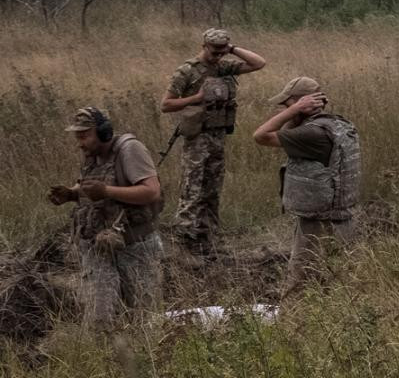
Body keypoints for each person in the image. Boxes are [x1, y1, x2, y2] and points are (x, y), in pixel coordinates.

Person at [48, 108, 163, 329]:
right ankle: (106, 357)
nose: (80, 143)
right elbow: (91, 186)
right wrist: (72, 194)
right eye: (77, 137)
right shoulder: (93, 156)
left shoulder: (130, 150)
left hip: (134, 244)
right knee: (99, 317)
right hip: (97, 246)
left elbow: (151, 191)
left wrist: (107, 191)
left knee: (145, 317)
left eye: (84, 136)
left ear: (103, 132)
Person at [253, 77, 361, 299]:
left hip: (318, 224)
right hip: (342, 219)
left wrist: (294, 110)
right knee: (339, 283)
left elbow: (260, 136)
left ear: (300, 103)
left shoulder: (311, 134)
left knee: (299, 286)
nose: (285, 108)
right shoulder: (337, 125)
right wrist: (297, 111)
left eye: (287, 104)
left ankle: (290, 327)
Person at [160, 28, 266, 252]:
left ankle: (208, 238)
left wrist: (233, 50)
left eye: (222, 51)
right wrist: (196, 98)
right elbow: (166, 105)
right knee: (193, 188)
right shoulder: (187, 71)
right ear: (204, 46)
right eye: (214, 51)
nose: (218, 56)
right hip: (197, 137)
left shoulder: (223, 66)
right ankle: (185, 239)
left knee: (212, 189)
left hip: (218, 136)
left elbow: (259, 63)